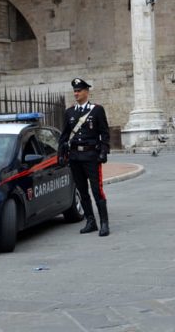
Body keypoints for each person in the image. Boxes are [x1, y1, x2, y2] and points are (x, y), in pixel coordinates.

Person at [58, 78, 111, 237]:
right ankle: (90, 221)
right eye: (74, 91)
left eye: (79, 91)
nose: (76, 93)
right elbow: (64, 135)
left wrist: (103, 152)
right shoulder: (70, 112)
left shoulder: (97, 110)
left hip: (91, 156)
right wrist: (61, 154)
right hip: (75, 157)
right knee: (82, 190)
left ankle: (104, 223)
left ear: (86, 92)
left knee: (97, 190)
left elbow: (104, 133)